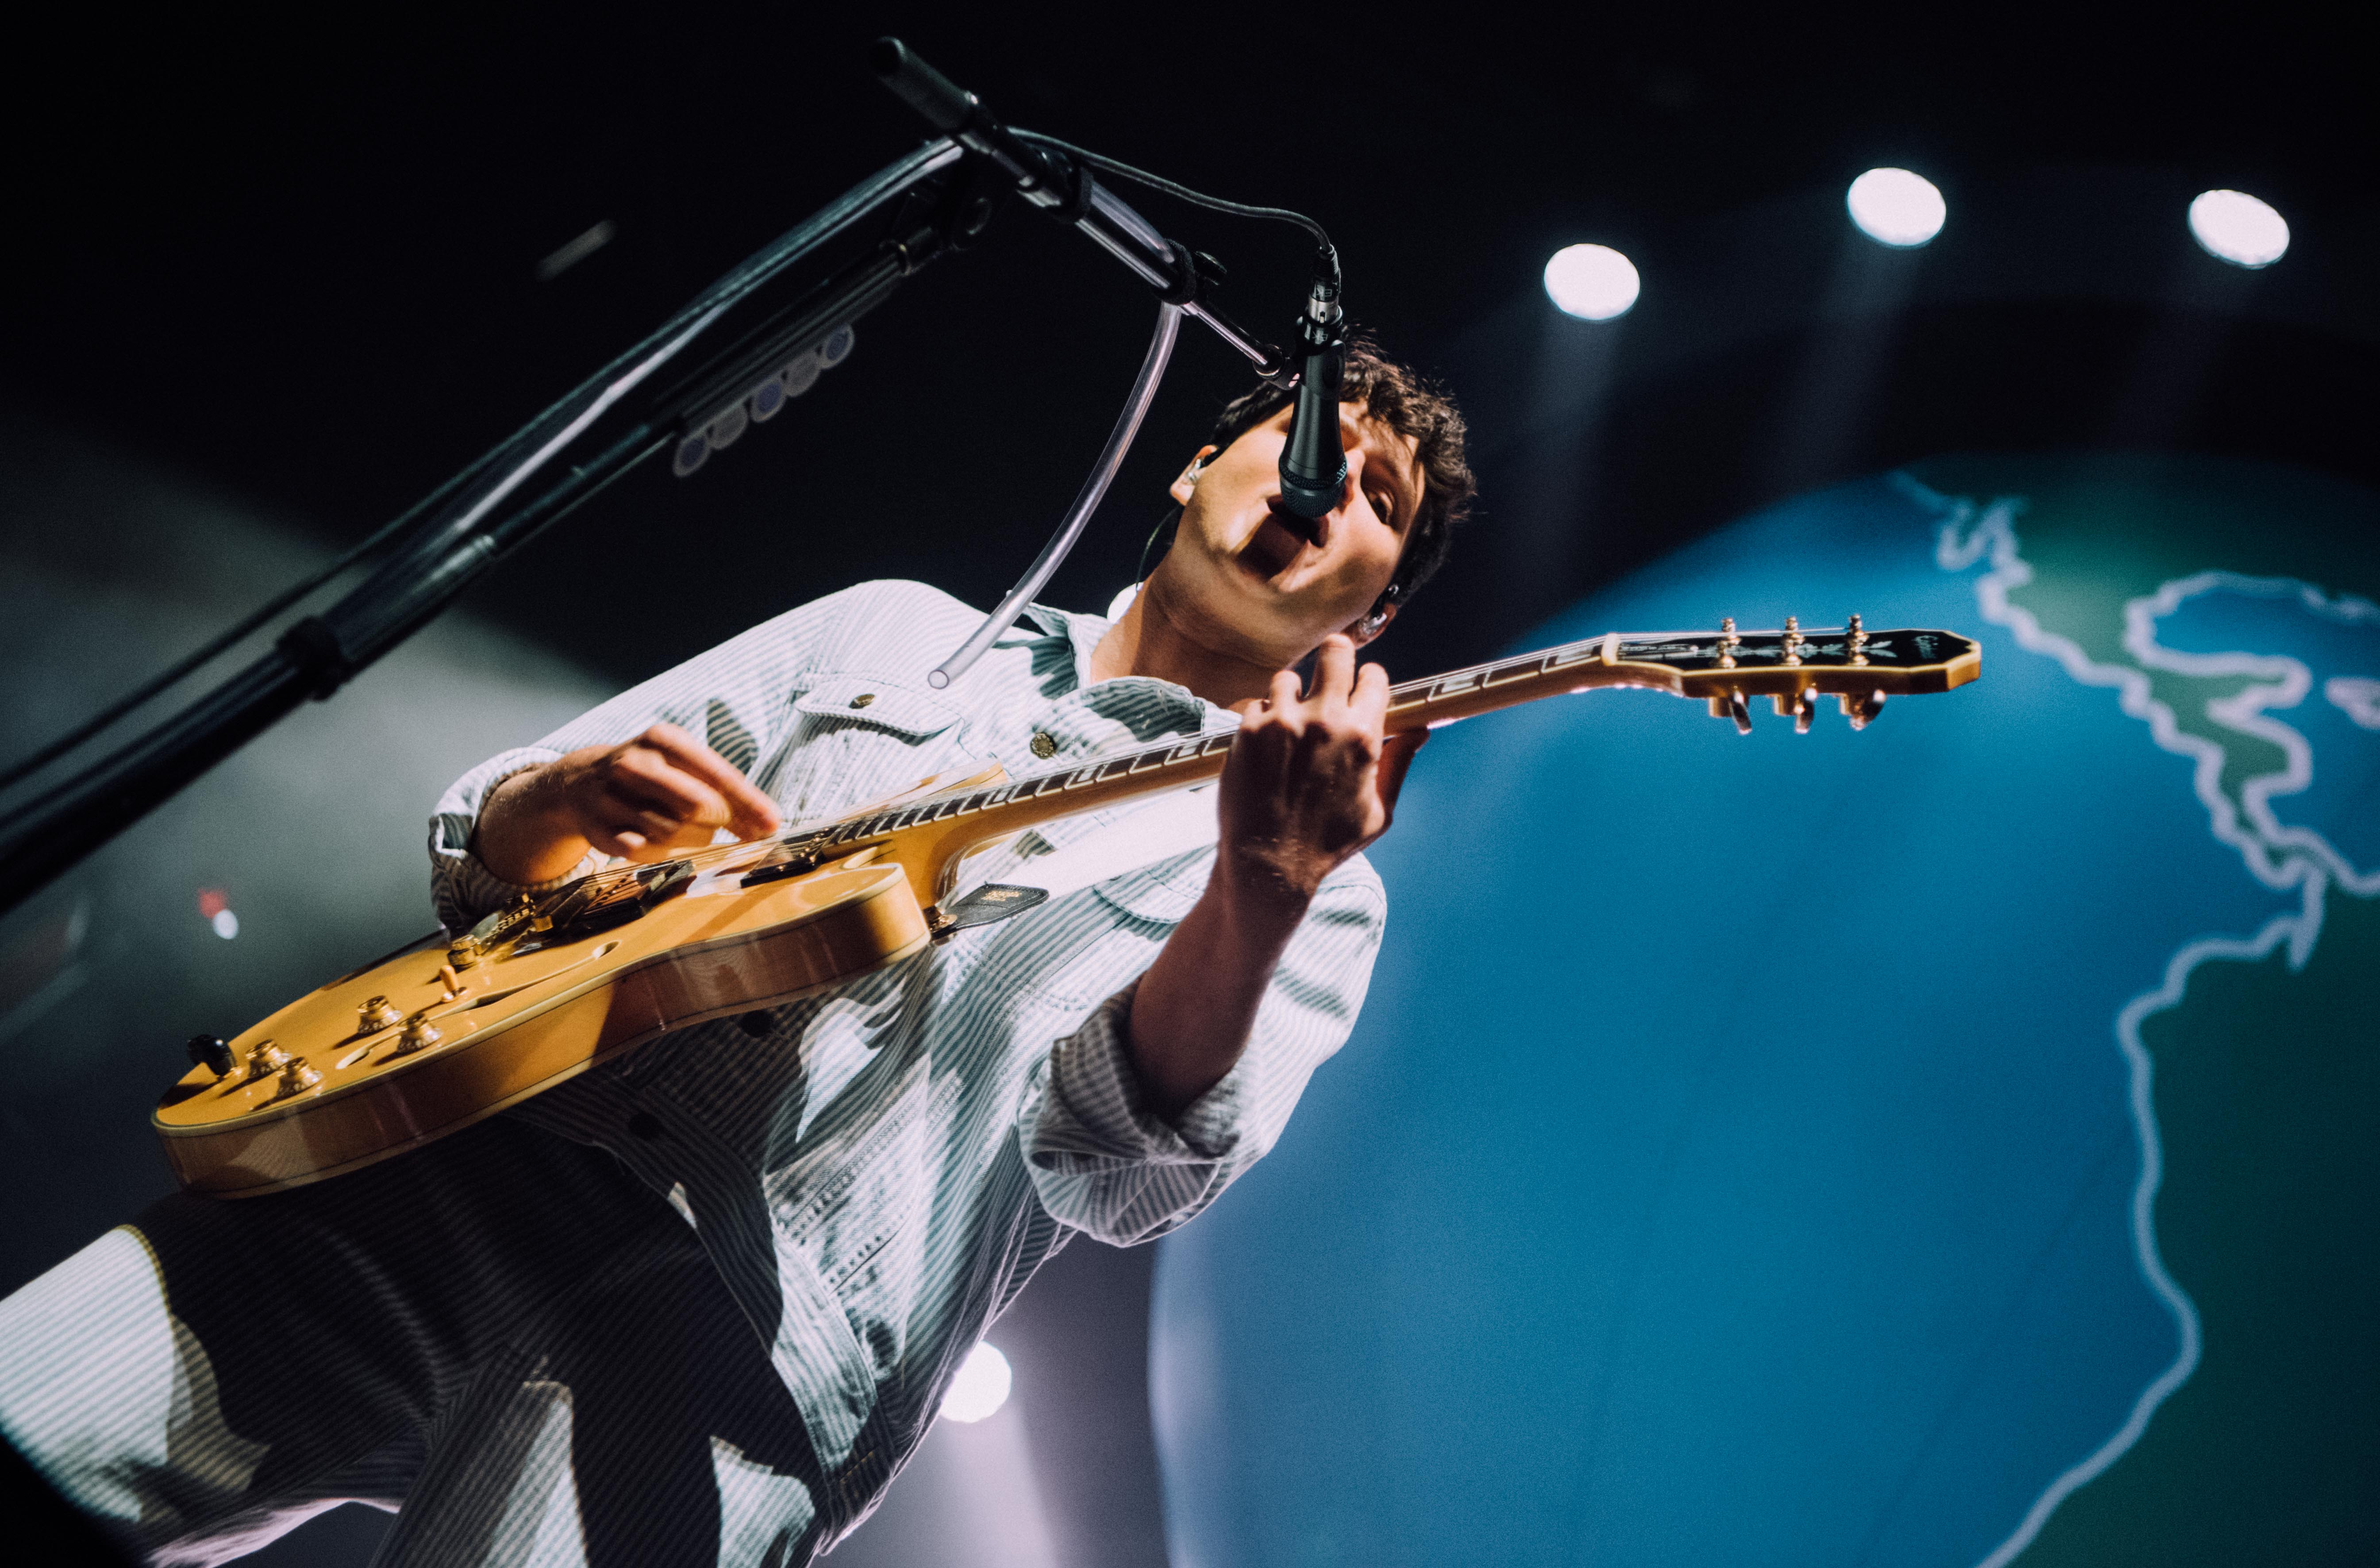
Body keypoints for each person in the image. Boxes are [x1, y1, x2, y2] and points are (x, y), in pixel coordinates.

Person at [0, 349, 1475, 1565]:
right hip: (466, 1152)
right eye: (1306, 438)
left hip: (739, 1351)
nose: (1325, 481)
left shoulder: (1318, 890)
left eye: (1378, 495)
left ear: (1378, 609)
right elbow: (478, 857)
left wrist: (1263, 884)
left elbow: (1115, 1170)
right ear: (1189, 466)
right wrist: (555, 804)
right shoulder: (902, 634)